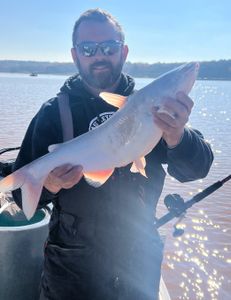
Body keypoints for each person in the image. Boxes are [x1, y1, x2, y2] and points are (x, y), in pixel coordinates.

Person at [12, 8, 213, 300]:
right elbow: (22, 199)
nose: (99, 55)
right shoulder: (53, 114)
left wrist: (177, 136)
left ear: (124, 51)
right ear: (75, 55)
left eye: (109, 46)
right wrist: (52, 184)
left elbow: (198, 169)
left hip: (138, 261)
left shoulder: (155, 106)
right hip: (70, 269)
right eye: (88, 48)